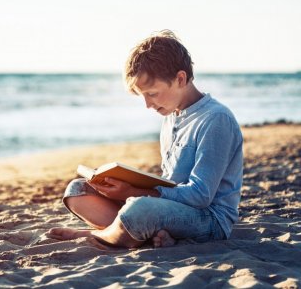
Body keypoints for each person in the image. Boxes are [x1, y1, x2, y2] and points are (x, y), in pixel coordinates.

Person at [46, 30, 243, 248]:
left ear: (180, 79)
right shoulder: (171, 116)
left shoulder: (216, 119)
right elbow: (170, 181)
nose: (148, 105)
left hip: (208, 219)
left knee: (140, 210)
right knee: (78, 190)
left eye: (152, 94)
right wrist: (126, 186)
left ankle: (97, 235)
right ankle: (142, 233)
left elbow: (200, 196)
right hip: (168, 208)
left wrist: (133, 192)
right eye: (143, 96)